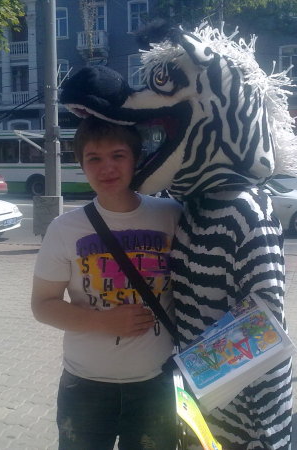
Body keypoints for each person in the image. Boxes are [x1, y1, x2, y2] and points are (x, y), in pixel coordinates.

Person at [31, 117, 182, 449]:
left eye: (118, 155)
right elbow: (42, 305)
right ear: (82, 165)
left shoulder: (171, 215)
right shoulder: (64, 228)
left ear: (136, 159)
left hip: (155, 386)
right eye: (94, 158)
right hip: (85, 388)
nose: (107, 167)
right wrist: (101, 321)